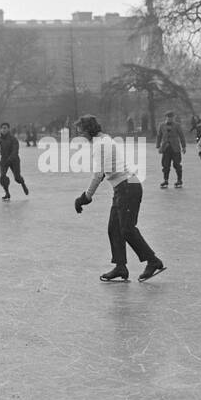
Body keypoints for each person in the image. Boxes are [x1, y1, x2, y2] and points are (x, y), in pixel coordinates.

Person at [72, 114, 165, 282]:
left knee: (127, 229)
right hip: (123, 187)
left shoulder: (101, 144)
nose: (80, 134)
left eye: (81, 131)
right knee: (114, 228)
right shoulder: (101, 140)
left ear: (88, 130)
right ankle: (120, 266)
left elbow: (99, 174)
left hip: (128, 187)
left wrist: (86, 197)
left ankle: (153, 261)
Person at [157, 110, 187, 188]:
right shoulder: (161, 125)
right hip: (165, 148)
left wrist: (184, 146)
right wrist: (158, 146)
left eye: (171, 117)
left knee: (177, 164)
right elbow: (159, 136)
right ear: (166, 117)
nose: (170, 119)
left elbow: (181, 136)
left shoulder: (177, 125)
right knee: (165, 165)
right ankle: (165, 180)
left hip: (175, 148)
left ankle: (179, 180)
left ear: (173, 117)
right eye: (168, 117)